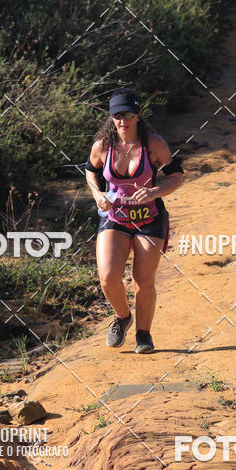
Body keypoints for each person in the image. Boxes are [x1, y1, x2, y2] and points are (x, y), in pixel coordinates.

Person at [85, 88, 183, 354]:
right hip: (115, 218)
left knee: (143, 280)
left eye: (128, 114)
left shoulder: (154, 144)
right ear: (111, 117)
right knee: (107, 278)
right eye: (117, 115)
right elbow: (90, 171)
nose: (122, 120)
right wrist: (98, 195)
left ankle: (143, 334)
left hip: (149, 219)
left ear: (138, 114)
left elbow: (176, 175)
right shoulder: (102, 146)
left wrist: (155, 191)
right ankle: (122, 317)